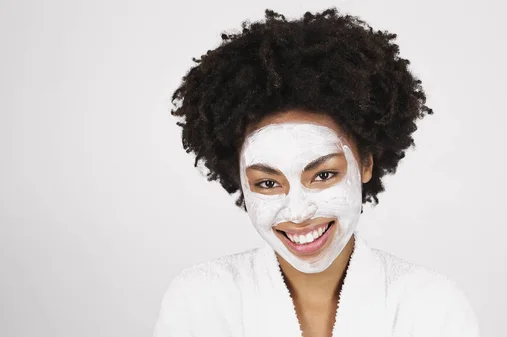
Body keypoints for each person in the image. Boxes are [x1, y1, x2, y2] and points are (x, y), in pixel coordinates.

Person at [154, 7, 479, 337]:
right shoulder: (200, 302)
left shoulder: (432, 307)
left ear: (365, 162)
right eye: (267, 182)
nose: (297, 213)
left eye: (323, 175)